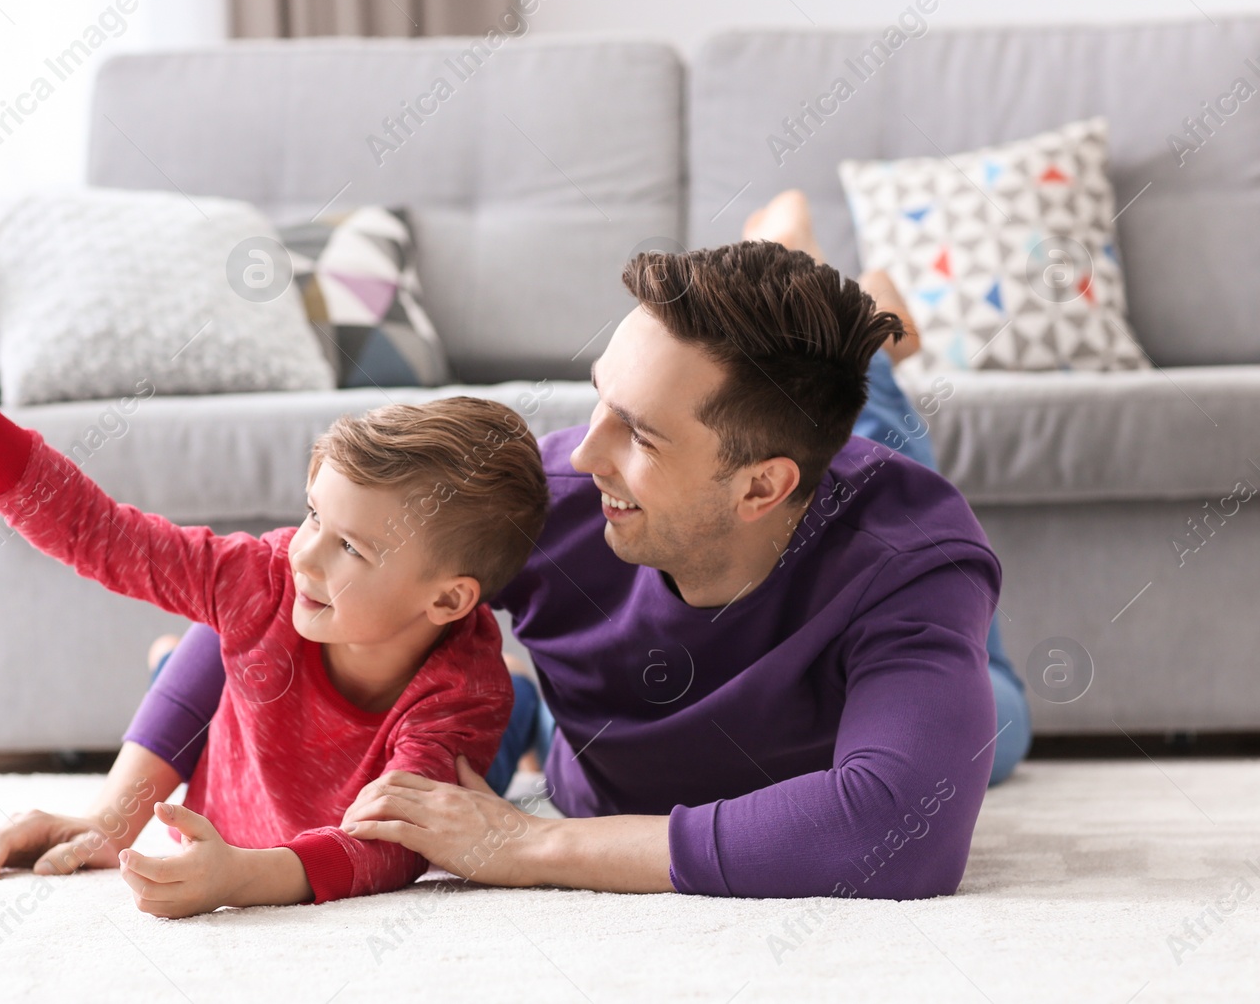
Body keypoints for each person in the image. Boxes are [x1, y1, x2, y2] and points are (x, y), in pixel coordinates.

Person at [138, 192, 1030, 901]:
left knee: (997, 725)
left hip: (850, 529)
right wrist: (117, 808)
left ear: (762, 487)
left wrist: (539, 842)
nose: (581, 451)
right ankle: (523, 703)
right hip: (745, 517)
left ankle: (854, 310)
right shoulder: (556, 494)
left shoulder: (912, 559)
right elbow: (270, 583)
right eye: (598, 397)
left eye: (638, 433)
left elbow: (895, 833)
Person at [0, 289, 550, 916]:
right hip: (261, 673)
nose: (303, 554)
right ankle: (183, 658)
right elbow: (97, 531)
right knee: (230, 622)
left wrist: (240, 879)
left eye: (351, 548)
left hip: (455, 728)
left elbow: (390, 850)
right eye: (313, 515)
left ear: (448, 599)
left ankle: (525, 709)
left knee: (483, 751)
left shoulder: (461, 691)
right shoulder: (270, 576)